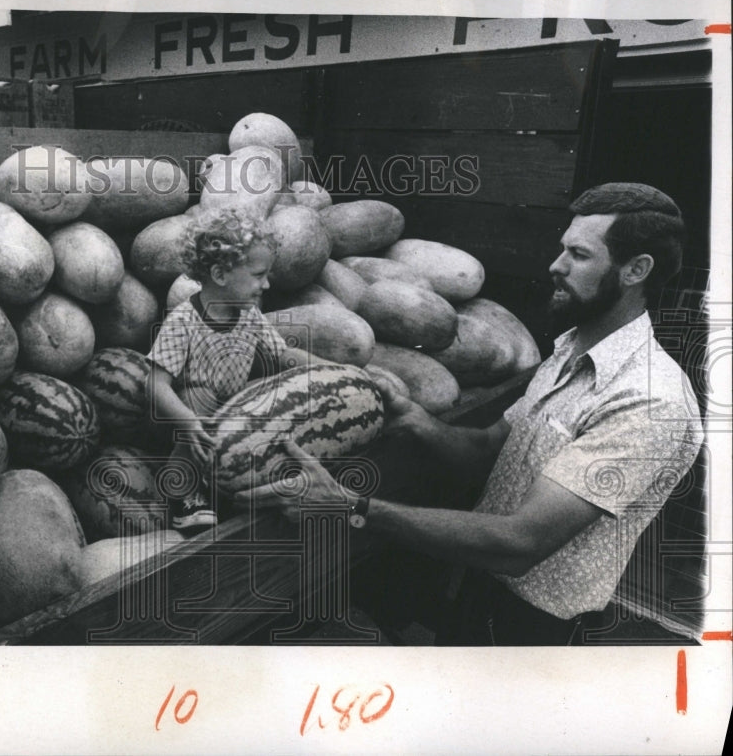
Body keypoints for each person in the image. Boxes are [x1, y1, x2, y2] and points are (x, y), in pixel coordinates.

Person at [237, 182, 705, 645]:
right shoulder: (569, 350)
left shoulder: (649, 402)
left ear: (635, 270)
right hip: (479, 588)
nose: (555, 266)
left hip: (534, 628)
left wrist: (352, 508)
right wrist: (416, 420)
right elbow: (487, 451)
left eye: (579, 256)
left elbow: (521, 543)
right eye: (562, 249)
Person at [147, 207, 314, 531]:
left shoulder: (249, 314)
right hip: (184, 415)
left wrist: (329, 369)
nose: (266, 285)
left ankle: (229, 478)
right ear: (221, 275)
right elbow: (154, 385)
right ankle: (183, 489)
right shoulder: (183, 321)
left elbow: (283, 354)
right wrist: (186, 420)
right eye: (257, 275)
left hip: (229, 408)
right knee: (200, 399)